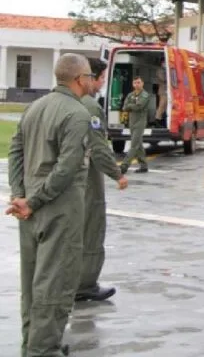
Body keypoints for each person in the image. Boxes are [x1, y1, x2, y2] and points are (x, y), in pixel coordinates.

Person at [6, 53, 95, 357]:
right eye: (90, 76)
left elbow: (15, 152)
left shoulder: (35, 107)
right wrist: (33, 200)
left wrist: (21, 195)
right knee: (55, 280)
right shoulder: (77, 114)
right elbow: (66, 168)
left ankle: (33, 342)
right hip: (58, 207)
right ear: (80, 79)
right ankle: (43, 349)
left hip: (30, 205)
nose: (92, 81)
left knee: (32, 281)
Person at [76, 57, 129, 303]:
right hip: (86, 178)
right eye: (102, 78)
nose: (102, 83)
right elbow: (98, 148)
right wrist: (117, 174)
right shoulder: (90, 106)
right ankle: (86, 284)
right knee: (92, 231)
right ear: (91, 78)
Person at [120, 76, 150, 173]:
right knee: (138, 144)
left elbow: (139, 106)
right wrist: (131, 106)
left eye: (138, 82)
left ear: (142, 83)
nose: (137, 84)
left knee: (134, 145)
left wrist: (130, 106)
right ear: (133, 84)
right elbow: (124, 107)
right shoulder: (130, 95)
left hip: (140, 122)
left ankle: (124, 166)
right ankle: (144, 165)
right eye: (135, 83)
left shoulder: (145, 95)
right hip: (132, 122)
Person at [154, 60, 168, 126]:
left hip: (166, 91)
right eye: (164, 62)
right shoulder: (160, 70)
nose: (165, 64)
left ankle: (162, 119)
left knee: (165, 106)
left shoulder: (165, 70)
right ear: (161, 63)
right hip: (162, 91)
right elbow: (163, 79)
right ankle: (157, 119)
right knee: (162, 105)